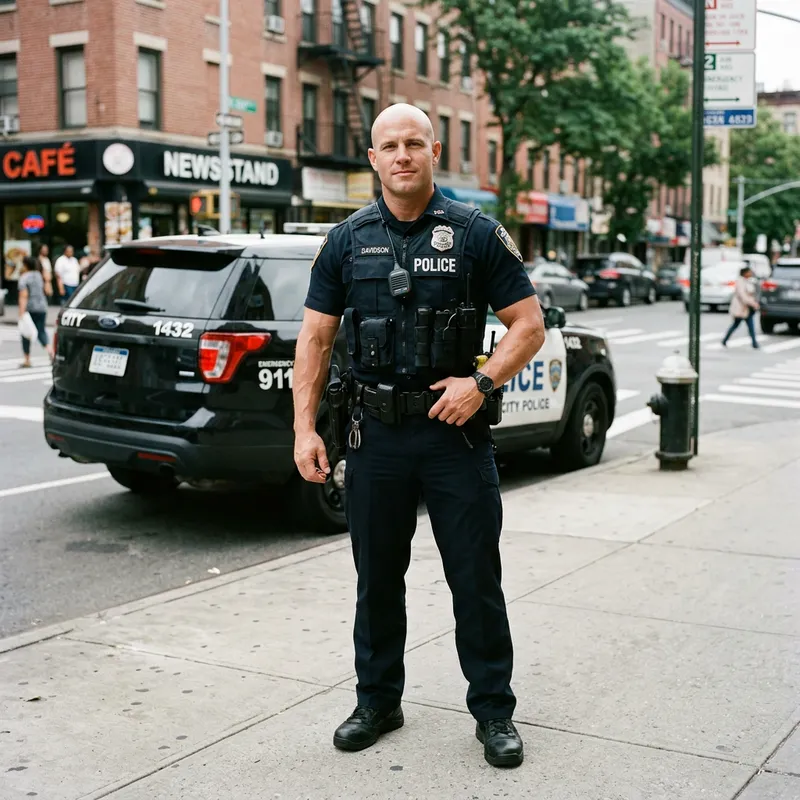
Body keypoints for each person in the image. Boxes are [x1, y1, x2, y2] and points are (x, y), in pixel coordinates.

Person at [292, 103, 545, 768]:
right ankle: (378, 701)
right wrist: (304, 432)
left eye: (413, 143)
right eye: (388, 145)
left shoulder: (475, 233)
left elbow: (528, 325)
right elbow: (316, 337)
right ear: (372, 158)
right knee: (377, 579)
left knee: (474, 579)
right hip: (373, 436)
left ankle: (493, 711)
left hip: (452, 438)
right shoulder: (346, 239)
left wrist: (481, 385)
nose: (401, 155)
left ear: (434, 151)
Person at [17, 255, 53, 367]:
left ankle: (27, 359)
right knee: (41, 331)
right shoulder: (40, 275)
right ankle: (51, 352)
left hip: (30, 308)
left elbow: (24, 296)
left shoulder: (24, 277)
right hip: (42, 307)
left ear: (25, 265)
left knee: (25, 334)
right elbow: (48, 291)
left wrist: (21, 313)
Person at [722, 266, 760, 349]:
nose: (750, 273)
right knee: (737, 325)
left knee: (749, 326)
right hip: (741, 308)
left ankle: (754, 343)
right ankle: (725, 340)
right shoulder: (740, 282)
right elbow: (743, 296)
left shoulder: (749, 281)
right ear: (744, 273)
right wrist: (753, 304)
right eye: (749, 272)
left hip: (747, 308)